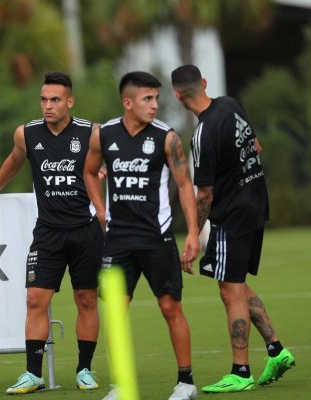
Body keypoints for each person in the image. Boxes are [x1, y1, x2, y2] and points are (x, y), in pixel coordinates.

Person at [171, 64, 296, 393]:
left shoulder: (202, 134)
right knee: (236, 285)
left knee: (229, 291)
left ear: (177, 95)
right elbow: (257, 147)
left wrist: (193, 237)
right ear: (205, 84)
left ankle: (240, 371)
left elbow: (205, 194)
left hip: (232, 216)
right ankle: (276, 350)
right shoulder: (231, 103)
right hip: (256, 206)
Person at [0, 72, 104, 394]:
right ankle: (33, 374)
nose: (48, 106)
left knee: (86, 299)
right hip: (48, 232)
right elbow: (14, 160)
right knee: (36, 298)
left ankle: (84, 369)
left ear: (70, 101)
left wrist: (103, 170)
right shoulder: (27, 133)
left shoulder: (91, 133)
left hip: (85, 230)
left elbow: (113, 161)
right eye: (44, 99)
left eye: (55, 100)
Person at [84, 71, 200, 400]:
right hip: (118, 240)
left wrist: (192, 233)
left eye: (156, 98)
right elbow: (89, 173)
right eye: (147, 99)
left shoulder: (167, 137)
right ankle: (122, 386)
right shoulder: (103, 135)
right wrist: (101, 211)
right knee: (115, 312)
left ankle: (186, 382)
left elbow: (184, 185)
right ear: (128, 102)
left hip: (156, 238)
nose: (154, 105)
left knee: (169, 307)